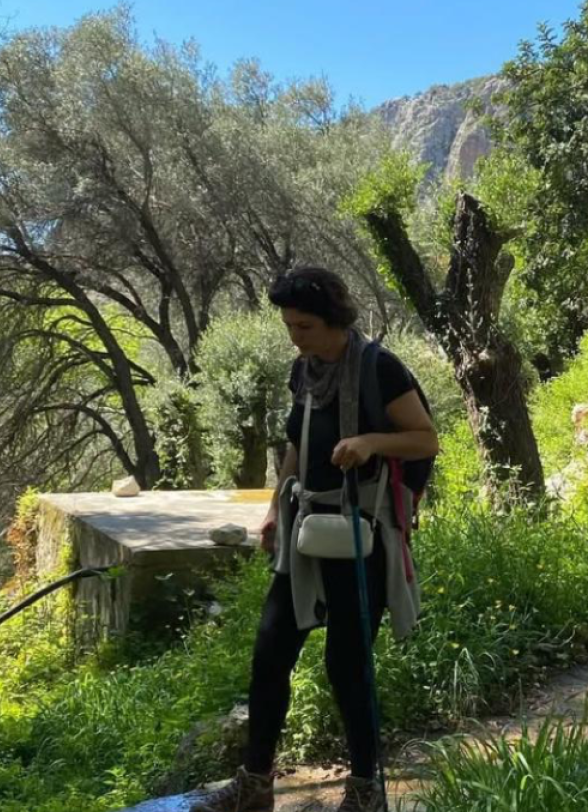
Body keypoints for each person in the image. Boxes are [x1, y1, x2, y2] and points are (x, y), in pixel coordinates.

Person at [194, 267, 439, 812]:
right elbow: (296, 445)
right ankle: (255, 785)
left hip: (362, 534)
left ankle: (366, 790)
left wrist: (370, 442)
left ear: (334, 320)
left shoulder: (379, 368)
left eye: (303, 326)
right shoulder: (304, 370)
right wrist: (273, 511)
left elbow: (426, 440)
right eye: (289, 326)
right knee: (270, 652)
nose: (294, 337)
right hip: (306, 529)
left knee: (347, 666)